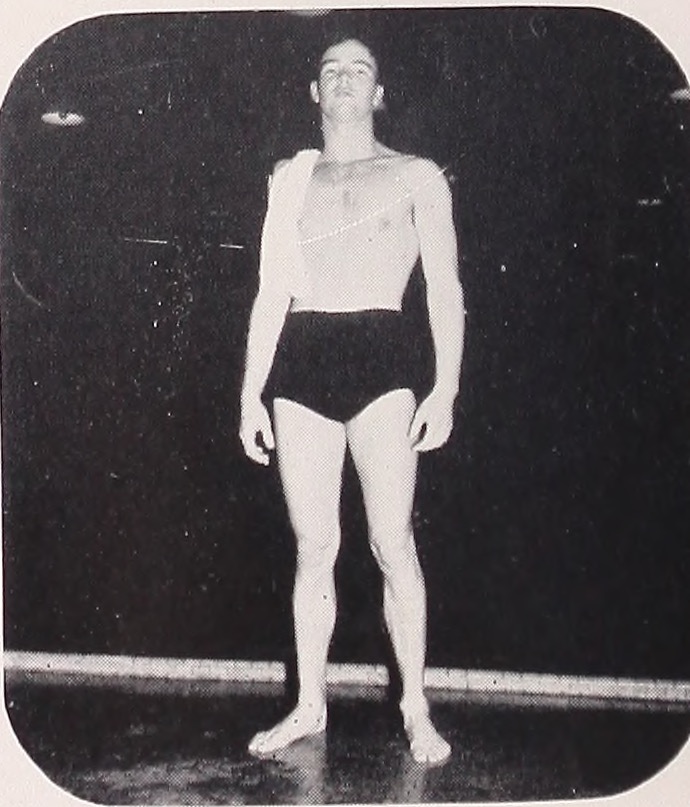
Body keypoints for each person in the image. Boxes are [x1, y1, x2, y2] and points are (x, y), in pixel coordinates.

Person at [239, 35, 465, 765]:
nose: (343, 79)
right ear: (314, 91)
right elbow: (271, 293)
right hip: (303, 354)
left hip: (383, 353)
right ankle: (309, 704)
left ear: (379, 93)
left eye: (359, 70)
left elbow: (446, 289)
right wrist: (249, 395)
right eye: (330, 70)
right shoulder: (288, 179)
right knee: (314, 545)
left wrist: (446, 387)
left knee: (391, 540)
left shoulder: (417, 175)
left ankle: (416, 707)